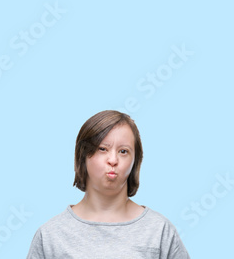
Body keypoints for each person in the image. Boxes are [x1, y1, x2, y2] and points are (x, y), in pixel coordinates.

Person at [27, 110, 189, 258]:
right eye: (102, 149)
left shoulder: (160, 231)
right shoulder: (50, 236)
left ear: (135, 161)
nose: (113, 160)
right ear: (83, 156)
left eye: (123, 151)